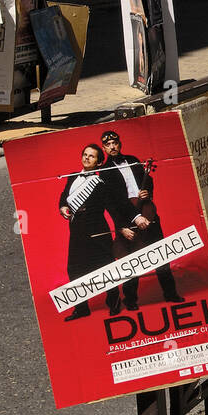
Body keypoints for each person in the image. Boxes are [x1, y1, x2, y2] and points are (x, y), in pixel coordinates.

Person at [101, 130, 183, 312]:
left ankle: (170, 293)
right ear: (104, 148)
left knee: (162, 255)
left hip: (147, 209)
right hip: (126, 217)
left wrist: (147, 192)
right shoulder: (105, 172)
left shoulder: (133, 160)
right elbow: (113, 203)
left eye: (115, 142)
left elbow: (149, 181)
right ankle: (130, 300)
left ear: (119, 143)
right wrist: (127, 222)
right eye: (108, 144)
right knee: (131, 261)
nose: (112, 146)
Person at [58, 143, 133, 322]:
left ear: (99, 163)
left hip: (98, 232)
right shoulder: (72, 178)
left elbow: (113, 208)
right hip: (77, 233)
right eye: (85, 154)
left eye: (91, 156)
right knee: (74, 270)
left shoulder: (101, 184)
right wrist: (62, 206)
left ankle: (113, 302)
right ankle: (81, 308)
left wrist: (122, 226)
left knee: (105, 270)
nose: (86, 158)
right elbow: (64, 196)